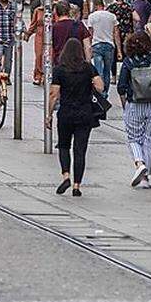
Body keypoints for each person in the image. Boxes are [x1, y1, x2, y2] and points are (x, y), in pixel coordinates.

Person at [50, 37, 103, 197]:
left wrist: (48, 114)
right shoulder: (88, 68)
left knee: (64, 146)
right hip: (84, 113)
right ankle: (76, 186)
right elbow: (100, 87)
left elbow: (54, 94)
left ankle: (66, 175)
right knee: (80, 150)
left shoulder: (59, 70)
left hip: (66, 113)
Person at [117, 31, 151, 189]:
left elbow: (121, 87)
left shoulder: (128, 62)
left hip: (135, 104)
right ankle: (145, 179)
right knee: (149, 141)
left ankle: (139, 164)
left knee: (133, 138)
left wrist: (125, 104)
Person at [88, 0, 120, 97]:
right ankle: (105, 91)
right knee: (107, 70)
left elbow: (90, 34)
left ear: (95, 5)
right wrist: (119, 50)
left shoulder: (92, 16)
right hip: (109, 45)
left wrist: (89, 48)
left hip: (96, 45)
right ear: (103, 5)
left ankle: (100, 92)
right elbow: (116, 33)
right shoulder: (112, 16)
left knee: (98, 70)